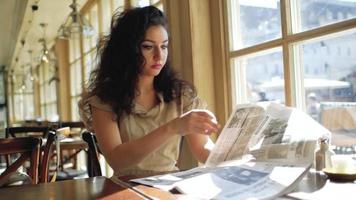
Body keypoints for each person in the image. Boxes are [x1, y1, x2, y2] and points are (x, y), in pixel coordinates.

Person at [78, 6, 220, 179]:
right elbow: (117, 159)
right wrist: (173, 127)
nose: (159, 56)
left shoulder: (179, 94)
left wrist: (236, 155)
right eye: (148, 46)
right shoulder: (104, 99)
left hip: (169, 187)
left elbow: (203, 149)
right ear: (128, 50)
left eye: (164, 46)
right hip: (125, 189)